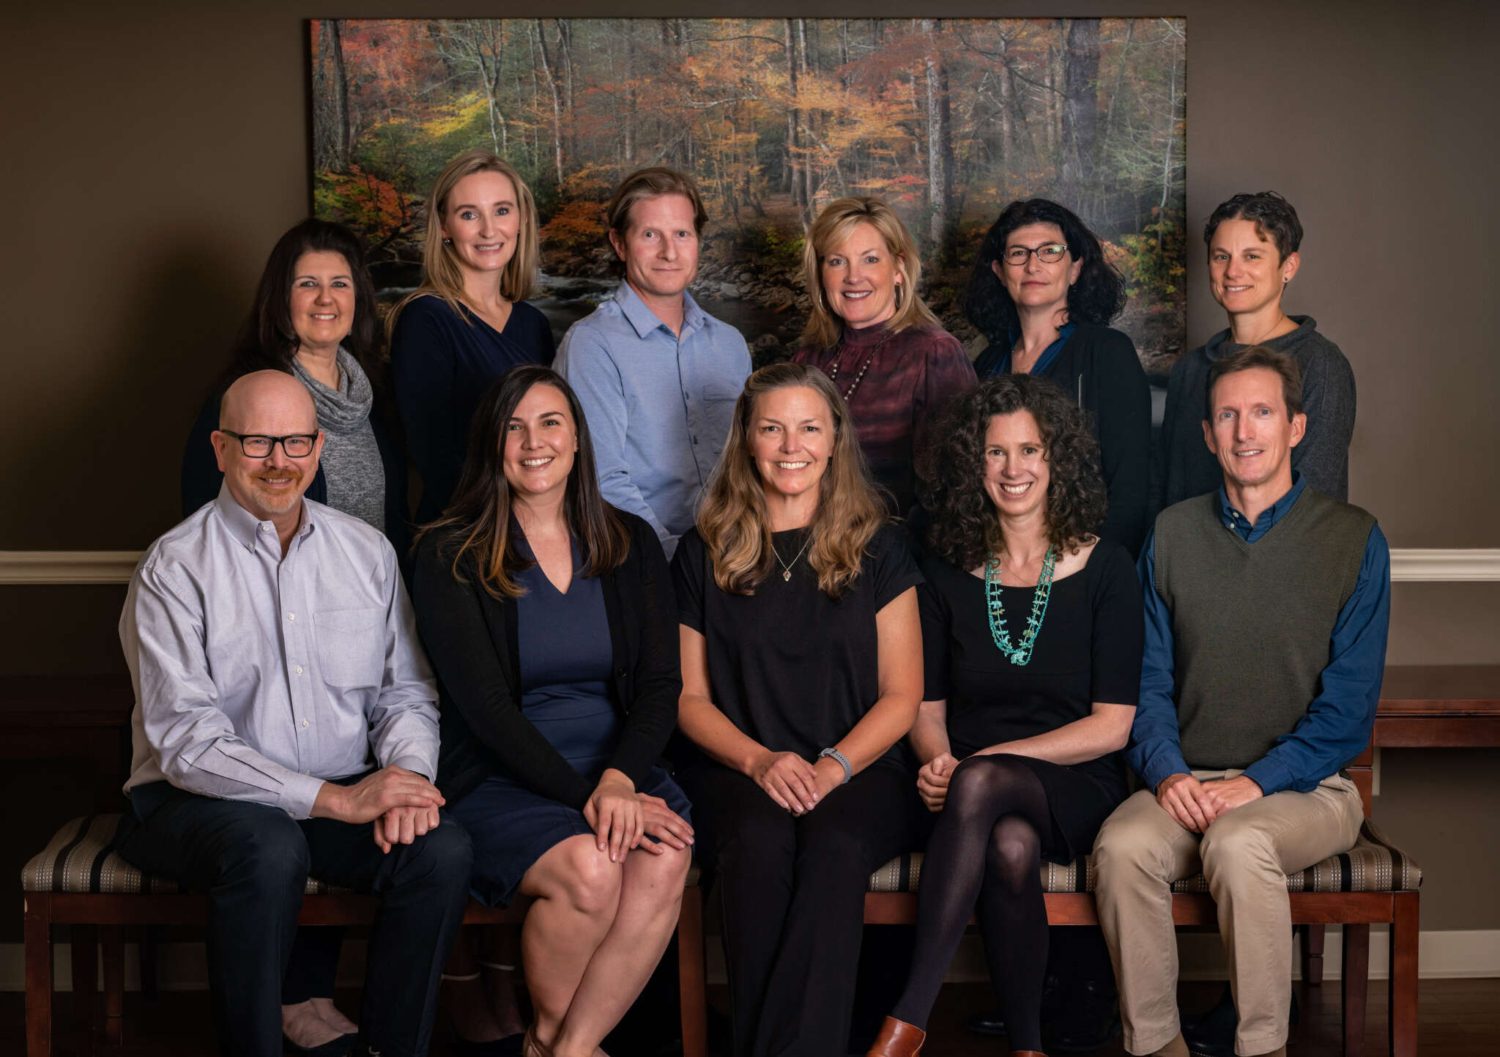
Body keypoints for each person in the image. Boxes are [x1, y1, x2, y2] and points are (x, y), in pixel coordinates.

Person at [117, 371, 472, 1057]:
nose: (280, 460)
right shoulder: (174, 567)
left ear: (317, 448)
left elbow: (404, 690)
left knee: (441, 849)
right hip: (188, 801)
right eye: (258, 442)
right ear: (221, 449)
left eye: (297, 441)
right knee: (270, 845)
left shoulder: (366, 553)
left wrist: (404, 777)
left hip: (334, 792)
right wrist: (336, 799)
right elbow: (188, 743)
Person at [1093, 346, 1390, 1057]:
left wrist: (1255, 783)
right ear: (1205, 434)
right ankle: (1157, 1046)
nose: (1243, 430)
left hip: (1307, 790)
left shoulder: (1353, 539)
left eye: (1261, 412)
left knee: (1238, 839)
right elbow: (1148, 685)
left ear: (1295, 427)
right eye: (1226, 415)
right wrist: (1168, 772)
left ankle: (1262, 1048)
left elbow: (1345, 715)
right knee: (1121, 846)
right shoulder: (1171, 535)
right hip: (1190, 780)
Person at [410, 366, 693, 1057]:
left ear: (576, 439)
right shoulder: (449, 552)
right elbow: (486, 711)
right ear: (492, 444)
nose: (533, 442)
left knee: (665, 854)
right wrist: (592, 797)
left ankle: (559, 1047)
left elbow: (661, 685)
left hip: (619, 768)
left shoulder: (630, 543)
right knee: (592, 870)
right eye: (514, 426)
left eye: (550, 422)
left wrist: (622, 779)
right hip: (505, 775)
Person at [866, 376, 1142, 1057]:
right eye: (996, 453)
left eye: (1030, 450)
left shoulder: (1107, 568)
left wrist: (980, 766)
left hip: (1074, 780)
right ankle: (1029, 1045)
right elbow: (926, 707)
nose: (1014, 469)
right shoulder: (946, 569)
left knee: (986, 790)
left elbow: (1112, 725)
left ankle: (906, 1020)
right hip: (965, 781)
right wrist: (937, 758)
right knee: (1008, 847)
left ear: (1058, 461)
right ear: (973, 464)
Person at [672, 362, 924, 1057]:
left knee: (835, 848)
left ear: (835, 439)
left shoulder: (880, 545)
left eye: (809, 427)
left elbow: (903, 694)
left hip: (861, 765)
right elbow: (688, 698)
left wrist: (834, 765)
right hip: (737, 763)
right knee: (755, 847)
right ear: (745, 440)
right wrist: (758, 760)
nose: (792, 446)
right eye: (772, 428)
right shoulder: (703, 551)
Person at [181, 218, 410, 555]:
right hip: (278, 603)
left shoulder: (377, 398)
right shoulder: (245, 397)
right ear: (281, 300)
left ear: (358, 300)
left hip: (373, 600)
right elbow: (204, 521)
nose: (325, 299)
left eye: (340, 284)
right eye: (307, 284)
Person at [555, 166, 751, 558]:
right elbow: (603, 483)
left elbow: (749, 463)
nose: (669, 252)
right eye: (650, 235)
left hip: (738, 557)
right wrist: (679, 562)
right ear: (619, 243)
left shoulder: (730, 344)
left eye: (682, 234)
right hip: (645, 564)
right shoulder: (591, 345)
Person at [965, 198, 1152, 555]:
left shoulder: (1107, 352)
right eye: (1018, 253)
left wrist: (1098, 570)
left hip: (1083, 561)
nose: (1033, 264)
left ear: (1075, 269)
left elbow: (1130, 485)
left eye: (1050, 251)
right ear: (1000, 272)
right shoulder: (987, 365)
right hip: (1001, 562)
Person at [1158, 191, 1355, 508]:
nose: (1233, 272)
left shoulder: (1320, 364)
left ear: (1288, 266)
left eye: (1252, 256)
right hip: (1186, 555)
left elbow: (1318, 503)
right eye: (1222, 256)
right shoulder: (1190, 369)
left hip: (1282, 556)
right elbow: (1169, 491)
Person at [391, 149, 555, 522]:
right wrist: (506, 527)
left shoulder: (534, 324)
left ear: (521, 219)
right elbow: (433, 456)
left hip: (537, 525)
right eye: (469, 214)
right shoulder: (424, 320)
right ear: (445, 226)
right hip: (466, 531)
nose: (488, 230)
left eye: (501, 210)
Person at [793, 196, 976, 516]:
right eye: (837, 261)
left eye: (870, 259)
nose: (853, 276)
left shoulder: (933, 354)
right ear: (820, 274)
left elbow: (957, 489)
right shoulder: (808, 360)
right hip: (815, 548)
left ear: (899, 269)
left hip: (896, 554)